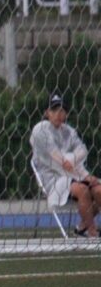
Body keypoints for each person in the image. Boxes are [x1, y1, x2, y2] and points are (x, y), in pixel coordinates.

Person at [30, 92, 101, 237]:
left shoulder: (69, 131)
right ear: (47, 112)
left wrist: (83, 173)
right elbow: (55, 156)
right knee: (83, 189)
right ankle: (93, 233)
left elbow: (82, 150)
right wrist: (81, 175)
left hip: (74, 175)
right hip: (53, 179)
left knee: (98, 190)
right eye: (54, 110)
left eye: (62, 110)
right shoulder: (40, 129)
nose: (58, 114)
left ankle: (82, 227)